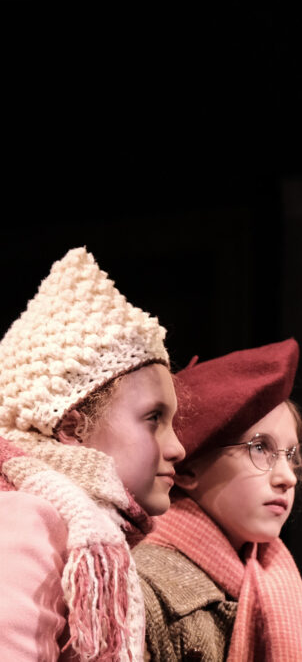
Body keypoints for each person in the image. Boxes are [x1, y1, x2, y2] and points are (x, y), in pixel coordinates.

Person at [0, 247, 186, 661]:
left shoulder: (92, 531)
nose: (177, 448)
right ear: (72, 428)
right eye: (153, 418)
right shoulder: (27, 519)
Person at [133, 338, 302, 661]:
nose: (288, 477)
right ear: (186, 469)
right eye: (260, 448)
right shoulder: (143, 589)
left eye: (292, 455)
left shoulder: (275, 583)